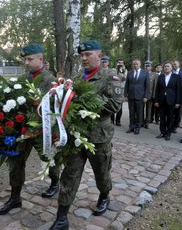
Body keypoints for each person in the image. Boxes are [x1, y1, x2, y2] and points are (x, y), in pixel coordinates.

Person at [50, 40, 121, 230]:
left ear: (99, 55)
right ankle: (62, 217)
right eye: (81, 55)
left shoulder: (111, 76)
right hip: (76, 136)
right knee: (69, 174)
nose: (84, 58)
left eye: (88, 54)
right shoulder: (77, 76)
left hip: (98, 137)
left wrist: (84, 100)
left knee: (101, 172)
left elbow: (114, 105)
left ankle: (104, 195)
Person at [0, 44, 58, 215]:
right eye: (25, 59)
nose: (27, 62)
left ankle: (55, 181)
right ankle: (15, 198)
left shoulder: (50, 80)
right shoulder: (23, 78)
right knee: (15, 162)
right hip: (22, 129)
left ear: (41, 59)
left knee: (48, 159)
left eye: (30, 59)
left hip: (42, 130)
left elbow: (53, 108)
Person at [154, 62, 181, 140]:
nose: (166, 68)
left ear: (171, 68)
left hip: (171, 101)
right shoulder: (161, 77)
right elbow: (157, 90)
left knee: (170, 118)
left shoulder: (176, 77)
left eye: (168, 66)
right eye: (165, 66)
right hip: (161, 100)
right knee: (162, 117)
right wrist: (156, 101)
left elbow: (178, 90)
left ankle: (168, 133)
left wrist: (178, 102)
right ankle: (162, 132)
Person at [124, 59, 151, 135]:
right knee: (131, 113)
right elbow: (127, 85)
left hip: (140, 96)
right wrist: (125, 95)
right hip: (131, 96)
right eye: (134, 64)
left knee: (139, 113)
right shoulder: (129, 73)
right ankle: (131, 127)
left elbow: (147, 86)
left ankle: (137, 127)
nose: (135, 65)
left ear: (140, 64)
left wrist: (146, 96)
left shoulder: (145, 73)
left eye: (137, 64)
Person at [111, 59, 127, 126]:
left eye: (121, 63)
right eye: (119, 63)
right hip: (113, 89)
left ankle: (118, 121)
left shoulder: (125, 71)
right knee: (112, 105)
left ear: (123, 64)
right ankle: (111, 120)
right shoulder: (113, 70)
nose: (120, 64)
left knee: (120, 106)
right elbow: (111, 77)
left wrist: (120, 71)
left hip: (121, 90)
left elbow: (124, 78)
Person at [172, 59, 182, 132]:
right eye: (173, 64)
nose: (173, 65)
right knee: (170, 112)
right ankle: (170, 125)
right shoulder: (170, 72)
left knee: (177, 112)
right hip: (171, 95)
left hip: (179, 95)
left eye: (175, 64)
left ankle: (175, 126)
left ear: (179, 64)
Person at [143, 60, 154, 129]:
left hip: (150, 95)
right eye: (146, 66)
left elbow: (155, 86)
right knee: (141, 109)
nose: (147, 67)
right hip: (141, 94)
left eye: (148, 66)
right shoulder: (142, 73)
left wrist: (153, 95)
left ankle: (147, 122)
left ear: (151, 67)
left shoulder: (154, 75)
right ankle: (141, 121)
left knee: (148, 110)